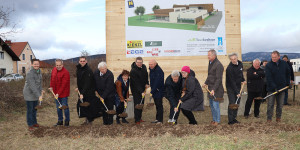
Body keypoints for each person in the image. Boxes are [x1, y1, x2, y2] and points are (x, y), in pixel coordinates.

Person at [76, 56, 103, 125]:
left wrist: (82, 93)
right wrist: (78, 89)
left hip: (89, 92)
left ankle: (89, 121)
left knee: (89, 106)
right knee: (83, 106)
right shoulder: (79, 69)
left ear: (86, 61)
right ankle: (86, 120)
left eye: (83, 61)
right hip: (82, 91)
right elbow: (79, 81)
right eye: (81, 61)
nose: (82, 62)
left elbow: (87, 83)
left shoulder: (88, 70)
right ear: (79, 61)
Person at [265, 51, 290, 123]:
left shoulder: (284, 64)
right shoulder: (268, 65)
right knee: (270, 104)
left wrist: (288, 83)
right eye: (272, 57)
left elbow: (288, 73)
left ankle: (278, 118)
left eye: (275, 57)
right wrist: (274, 87)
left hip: (282, 88)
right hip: (271, 89)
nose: (273, 59)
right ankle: (269, 119)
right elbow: (268, 78)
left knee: (280, 104)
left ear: (279, 57)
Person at [203, 49, 224, 126]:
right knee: (211, 106)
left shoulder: (218, 65)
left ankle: (217, 121)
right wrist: (206, 83)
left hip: (216, 89)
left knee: (215, 106)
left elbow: (219, 79)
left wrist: (213, 90)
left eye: (209, 55)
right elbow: (210, 75)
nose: (208, 56)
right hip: (210, 88)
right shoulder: (211, 62)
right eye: (208, 55)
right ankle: (214, 119)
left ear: (214, 55)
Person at [23, 59, 43, 130]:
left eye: (37, 64)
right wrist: (39, 95)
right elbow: (32, 86)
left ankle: (34, 122)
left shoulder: (39, 72)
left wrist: (41, 91)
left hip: (36, 93)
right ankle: (30, 124)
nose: (36, 65)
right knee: (30, 110)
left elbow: (40, 83)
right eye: (35, 64)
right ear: (32, 64)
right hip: (29, 94)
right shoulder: (29, 73)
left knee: (35, 109)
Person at [226, 53, 246, 125]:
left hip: (238, 86)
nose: (233, 60)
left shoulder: (240, 64)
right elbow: (232, 82)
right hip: (231, 87)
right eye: (231, 59)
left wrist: (243, 80)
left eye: (234, 59)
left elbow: (241, 74)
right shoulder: (229, 68)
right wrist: (237, 92)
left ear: (237, 58)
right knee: (232, 103)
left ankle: (234, 118)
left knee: (237, 103)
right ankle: (230, 120)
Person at [50, 59, 70, 126]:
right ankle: (60, 121)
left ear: (62, 65)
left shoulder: (66, 72)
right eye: (57, 65)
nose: (58, 66)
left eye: (59, 65)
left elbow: (63, 85)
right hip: (55, 93)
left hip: (64, 93)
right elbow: (52, 79)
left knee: (64, 107)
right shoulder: (54, 70)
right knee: (58, 107)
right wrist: (51, 87)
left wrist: (58, 93)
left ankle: (67, 121)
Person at [130, 57, 149, 125]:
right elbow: (136, 83)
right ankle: (137, 120)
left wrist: (147, 83)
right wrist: (141, 92)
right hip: (136, 91)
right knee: (137, 104)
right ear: (135, 62)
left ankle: (140, 118)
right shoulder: (133, 71)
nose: (139, 64)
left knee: (141, 104)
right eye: (138, 62)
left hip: (142, 89)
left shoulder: (144, 67)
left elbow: (146, 76)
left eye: (140, 62)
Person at [149, 59, 164, 124]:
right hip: (155, 90)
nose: (150, 65)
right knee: (157, 105)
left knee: (159, 105)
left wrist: (152, 91)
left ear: (155, 64)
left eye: (151, 64)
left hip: (158, 91)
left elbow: (157, 82)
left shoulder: (158, 71)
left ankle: (160, 120)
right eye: (149, 64)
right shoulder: (152, 70)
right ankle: (157, 119)